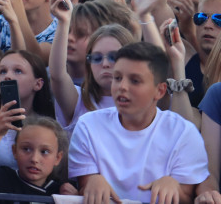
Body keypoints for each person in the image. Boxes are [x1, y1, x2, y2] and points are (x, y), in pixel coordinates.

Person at [69, 42, 211, 203]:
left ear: (160, 91)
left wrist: (174, 187)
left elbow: (188, 195)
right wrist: (91, 181)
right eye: (118, 78)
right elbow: (85, 186)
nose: (122, 87)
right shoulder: (88, 126)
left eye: (135, 81)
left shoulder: (183, 133)